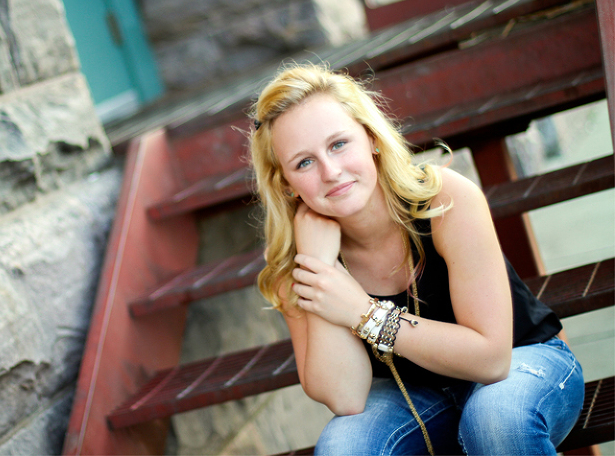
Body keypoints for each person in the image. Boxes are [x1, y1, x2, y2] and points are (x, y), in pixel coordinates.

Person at [248, 64, 584, 455]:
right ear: (286, 184)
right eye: (304, 163)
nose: (331, 171)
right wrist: (318, 266)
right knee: (344, 448)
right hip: (418, 394)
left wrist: (364, 313)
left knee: (494, 419)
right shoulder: (294, 260)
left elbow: (491, 360)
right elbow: (345, 396)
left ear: (372, 139)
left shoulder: (444, 199)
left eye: (338, 144)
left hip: (522, 361)